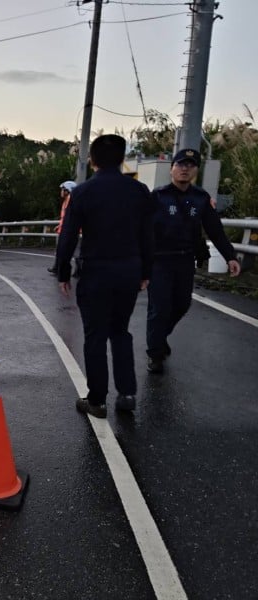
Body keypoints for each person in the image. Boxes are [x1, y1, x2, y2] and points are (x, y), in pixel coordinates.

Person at [56, 134, 155, 417]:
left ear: (93, 161)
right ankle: (127, 394)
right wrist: (145, 271)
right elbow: (148, 236)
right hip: (128, 271)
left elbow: (67, 237)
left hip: (96, 271)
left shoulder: (83, 193)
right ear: (122, 159)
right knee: (120, 331)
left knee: (95, 335)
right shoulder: (139, 191)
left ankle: (97, 400)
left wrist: (63, 272)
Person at [145, 148, 241, 374]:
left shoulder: (201, 198)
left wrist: (230, 257)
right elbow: (141, 228)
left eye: (190, 165)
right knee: (159, 308)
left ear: (196, 170)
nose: (185, 169)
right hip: (159, 261)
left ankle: (159, 338)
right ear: (172, 169)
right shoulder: (157, 196)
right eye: (180, 164)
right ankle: (155, 353)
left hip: (185, 260)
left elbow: (215, 230)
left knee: (181, 305)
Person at [48, 180, 77, 274]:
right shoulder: (66, 201)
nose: (61, 192)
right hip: (64, 229)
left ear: (68, 190)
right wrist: (59, 225)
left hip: (68, 231)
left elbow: (71, 217)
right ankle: (57, 268)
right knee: (60, 250)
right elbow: (64, 217)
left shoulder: (70, 200)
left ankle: (66, 270)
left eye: (62, 189)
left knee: (66, 251)